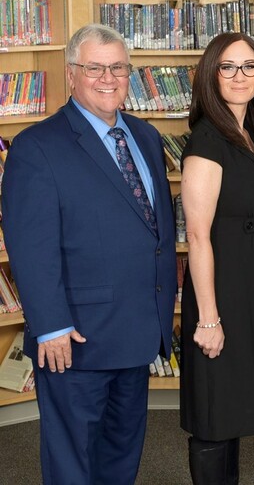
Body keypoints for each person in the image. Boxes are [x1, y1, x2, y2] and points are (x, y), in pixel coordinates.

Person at [1, 24, 177, 483]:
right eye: (94, 67)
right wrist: (51, 326)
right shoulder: (37, 147)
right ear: (71, 74)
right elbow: (31, 247)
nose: (108, 78)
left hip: (137, 329)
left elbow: (153, 230)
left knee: (122, 451)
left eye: (118, 67)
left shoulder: (145, 137)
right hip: (75, 337)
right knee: (73, 458)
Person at [179, 32, 254, 484]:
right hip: (220, 290)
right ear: (210, 75)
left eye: (249, 66)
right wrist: (208, 318)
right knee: (214, 413)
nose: (240, 76)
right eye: (227, 67)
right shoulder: (208, 140)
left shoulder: (246, 133)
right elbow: (199, 237)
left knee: (231, 412)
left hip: (252, 285)